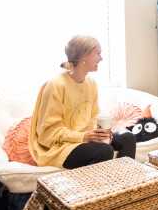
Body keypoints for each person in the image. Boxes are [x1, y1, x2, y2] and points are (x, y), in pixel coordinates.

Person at [28, 35, 136, 169]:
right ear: (84, 55)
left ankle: (124, 183)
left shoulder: (91, 83)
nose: (101, 58)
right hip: (60, 148)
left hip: (86, 141)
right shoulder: (56, 84)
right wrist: (83, 137)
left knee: (127, 137)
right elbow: (48, 134)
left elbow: (93, 119)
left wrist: (100, 134)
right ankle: (101, 189)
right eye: (98, 53)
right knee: (104, 151)